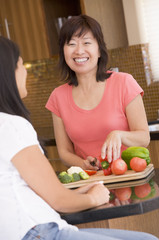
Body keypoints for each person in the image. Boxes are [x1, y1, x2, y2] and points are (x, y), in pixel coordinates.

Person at [0, 37, 158, 240]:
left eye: (86, 42)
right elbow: (57, 199)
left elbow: (22, 189)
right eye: (20, 65)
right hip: (37, 232)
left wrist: (77, 193)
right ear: (7, 75)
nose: (25, 71)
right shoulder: (11, 126)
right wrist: (93, 197)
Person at [46, 14, 150, 171]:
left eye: (87, 43)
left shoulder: (124, 83)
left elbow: (144, 137)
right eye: (71, 44)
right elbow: (64, 151)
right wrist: (83, 164)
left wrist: (119, 135)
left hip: (129, 174)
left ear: (99, 50)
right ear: (63, 52)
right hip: (91, 184)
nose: (79, 51)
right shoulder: (58, 96)